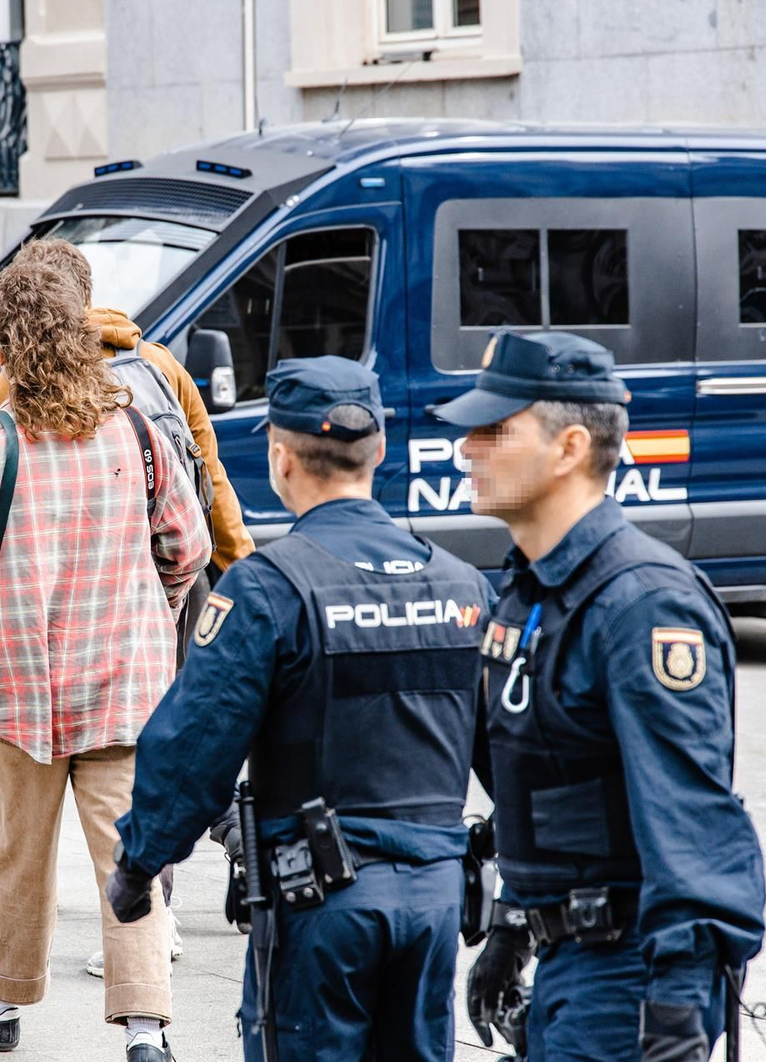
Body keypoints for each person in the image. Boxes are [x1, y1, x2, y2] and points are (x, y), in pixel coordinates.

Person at [109, 356, 494, 1062]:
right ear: (378, 450)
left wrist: (139, 865)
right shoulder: (464, 586)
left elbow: (193, 747)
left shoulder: (268, 589)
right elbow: (521, 760)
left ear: (280, 457)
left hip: (321, 905)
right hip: (436, 900)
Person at [432, 331, 766, 1062]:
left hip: (629, 982)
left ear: (569, 447)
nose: (467, 449)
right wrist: (512, 926)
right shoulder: (529, 593)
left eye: (495, 430)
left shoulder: (641, 606)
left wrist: (674, 1019)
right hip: (568, 970)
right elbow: (551, 790)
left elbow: (694, 828)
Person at [0, 257, 211, 1062]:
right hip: (128, 689)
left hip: (18, 693)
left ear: (5, 351)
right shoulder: (139, 433)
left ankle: (2, 1005)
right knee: (131, 857)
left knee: (17, 855)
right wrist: (153, 612)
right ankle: (146, 1031)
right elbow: (189, 546)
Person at [0, 236, 257, 975]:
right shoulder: (162, 364)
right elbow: (210, 472)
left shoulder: (18, 383)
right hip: (168, 590)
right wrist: (235, 570)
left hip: (67, 614)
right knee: (161, 753)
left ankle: (62, 941)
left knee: (63, 781)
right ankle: (178, 897)